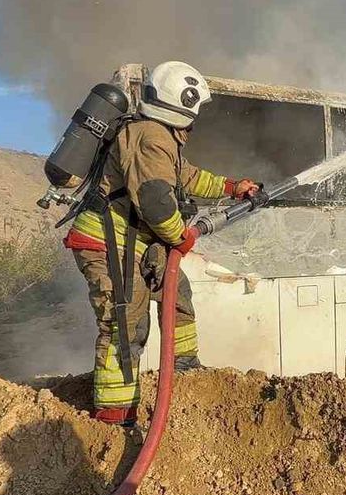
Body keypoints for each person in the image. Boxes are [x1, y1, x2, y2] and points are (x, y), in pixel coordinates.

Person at [62, 61, 259, 425]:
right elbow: (155, 202)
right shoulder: (151, 137)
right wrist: (180, 237)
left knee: (176, 292)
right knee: (125, 323)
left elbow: (188, 177)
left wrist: (233, 187)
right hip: (109, 242)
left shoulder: (159, 136)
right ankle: (115, 414)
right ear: (183, 104)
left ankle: (185, 368)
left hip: (135, 240)